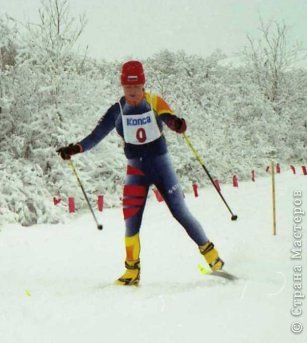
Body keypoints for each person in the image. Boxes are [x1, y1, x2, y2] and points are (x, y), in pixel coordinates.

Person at [56, 60, 224, 286]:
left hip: (161, 165)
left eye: (136, 87)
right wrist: (75, 148)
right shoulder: (117, 110)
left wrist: (177, 124)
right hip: (136, 168)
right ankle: (132, 270)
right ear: (123, 87)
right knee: (131, 218)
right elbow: (96, 136)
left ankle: (212, 257)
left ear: (143, 85)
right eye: (127, 88)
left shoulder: (154, 101)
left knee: (179, 211)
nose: (132, 92)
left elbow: (169, 119)